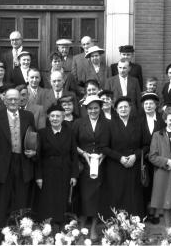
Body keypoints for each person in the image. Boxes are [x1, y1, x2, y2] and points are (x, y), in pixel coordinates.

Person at [0, 88, 36, 233]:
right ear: (4, 100)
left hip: (23, 163)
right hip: (2, 166)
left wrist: (33, 152)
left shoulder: (28, 116)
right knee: (2, 203)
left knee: (21, 203)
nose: (13, 102)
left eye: (16, 99)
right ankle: (2, 237)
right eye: (10, 99)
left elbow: (33, 138)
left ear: (20, 100)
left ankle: (22, 236)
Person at [101, 96, 147, 220]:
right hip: (116, 166)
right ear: (115, 109)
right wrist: (120, 158)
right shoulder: (109, 125)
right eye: (120, 107)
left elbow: (146, 145)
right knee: (117, 194)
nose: (123, 109)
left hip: (134, 164)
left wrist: (135, 156)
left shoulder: (139, 124)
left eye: (126, 106)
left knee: (134, 195)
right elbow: (104, 147)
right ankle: (116, 225)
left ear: (130, 108)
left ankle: (135, 225)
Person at [34, 104, 79, 226]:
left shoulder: (69, 133)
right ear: (48, 117)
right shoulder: (42, 133)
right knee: (47, 201)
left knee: (62, 200)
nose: (55, 118)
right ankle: (48, 228)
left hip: (65, 171)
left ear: (63, 117)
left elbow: (74, 155)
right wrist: (38, 176)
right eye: (52, 116)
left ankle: (61, 229)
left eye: (58, 116)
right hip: (47, 172)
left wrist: (74, 175)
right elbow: (37, 157)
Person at [73, 95, 108, 240]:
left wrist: (102, 156)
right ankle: (81, 229)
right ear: (86, 110)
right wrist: (83, 153)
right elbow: (72, 144)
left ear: (100, 108)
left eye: (96, 108)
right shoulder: (78, 123)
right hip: (83, 165)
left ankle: (93, 228)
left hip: (101, 165)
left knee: (97, 198)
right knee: (83, 197)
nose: (93, 111)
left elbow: (111, 144)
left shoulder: (107, 123)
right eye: (90, 108)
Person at [139, 92, 166, 224]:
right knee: (144, 186)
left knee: (157, 186)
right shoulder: (138, 120)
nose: (148, 106)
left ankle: (155, 213)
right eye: (146, 104)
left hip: (159, 159)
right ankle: (143, 212)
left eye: (151, 103)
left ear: (156, 105)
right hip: (143, 159)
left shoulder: (162, 120)